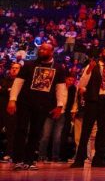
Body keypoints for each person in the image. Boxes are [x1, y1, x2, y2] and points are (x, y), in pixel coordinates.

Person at [6, 42, 67, 171]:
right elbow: (18, 83)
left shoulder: (58, 68)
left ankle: (29, 160)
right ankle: (18, 160)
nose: (41, 51)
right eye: (41, 48)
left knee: (36, 132)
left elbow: (60, 88)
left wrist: (60, 105)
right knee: (21, 130)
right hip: (25, 103)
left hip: (43, 105)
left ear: (52, 52)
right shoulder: (29, 65)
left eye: (45, 49)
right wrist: (12, 100)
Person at [71, 47, 105, 168]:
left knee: (102, 131)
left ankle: (98, 160)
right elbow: (82, 84)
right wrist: (89, 71)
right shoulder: (91, 66)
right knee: (86, 131)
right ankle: (79, 160)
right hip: (93, 100)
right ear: (101, 54)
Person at [0, 63, 20, 162]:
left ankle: (9, 154)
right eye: (12, 68)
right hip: (1, 108)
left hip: (12, 111)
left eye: (16, 68)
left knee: (11, 133)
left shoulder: (21, 82)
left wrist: (6, 90)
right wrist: (7, 90)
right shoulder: (4, 79)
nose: (14, 70)